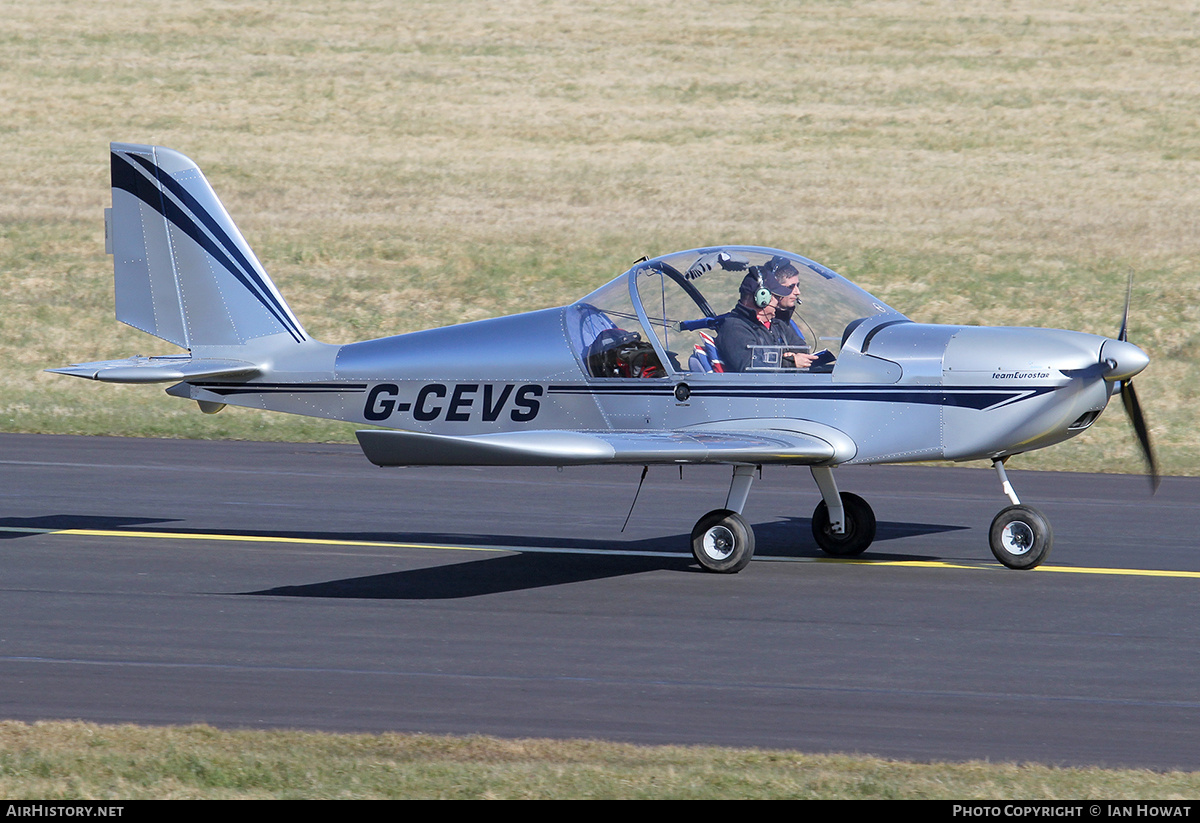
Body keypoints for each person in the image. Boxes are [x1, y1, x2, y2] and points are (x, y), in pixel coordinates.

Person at [716, 268, 800, 372]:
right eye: (776, 296)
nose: (778, 302)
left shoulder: (777, 324)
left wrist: (792, 358)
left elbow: (802, 350)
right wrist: (789, 362)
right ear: (762, 298)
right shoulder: (734, 328)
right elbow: (749, 367)